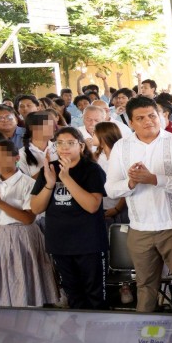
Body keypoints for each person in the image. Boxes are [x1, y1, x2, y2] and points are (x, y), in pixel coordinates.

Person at [104, 96, 172, 343]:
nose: (148, 121)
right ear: (130, 121)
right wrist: (131, 183)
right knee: (146, 285)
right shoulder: (121, 148)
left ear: (160, 115)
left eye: (152, 115)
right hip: (140, 228)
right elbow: (111, 189)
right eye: (141, 118)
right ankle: (146, 336)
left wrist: (153, 178)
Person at [28, 126, 108, 310]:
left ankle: (98, 334)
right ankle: (78, 334)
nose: (64, 147)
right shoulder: (49, 169)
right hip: (60, 243)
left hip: (89, 243)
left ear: (80, 146)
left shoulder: (91, 170)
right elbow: (36, 207)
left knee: (95, 295)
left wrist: (66, 179)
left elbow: (92, 206)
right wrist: (49, 183)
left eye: (70, 143)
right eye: (60, 143)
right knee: (73, 294)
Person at [0, 139, 58, 307]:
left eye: (2, 157)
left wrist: (0, 203)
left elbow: (28, 218)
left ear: (15, 157)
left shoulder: (29, 183)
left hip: (22, 236)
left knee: (22, 279)